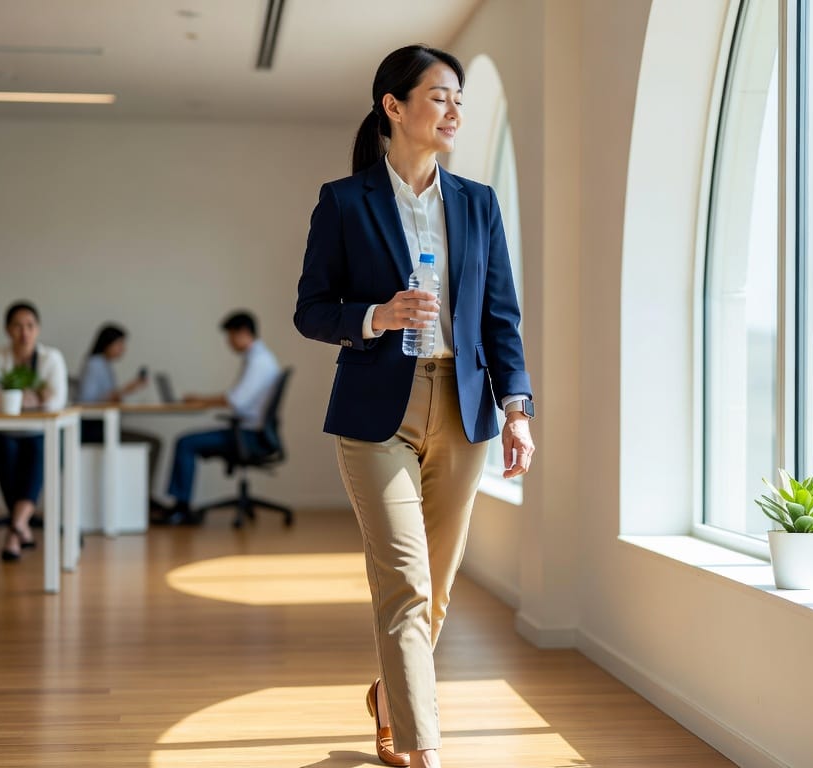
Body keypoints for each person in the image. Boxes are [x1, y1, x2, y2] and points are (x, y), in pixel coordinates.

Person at [293, 45, 536, 768]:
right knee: (404, 580)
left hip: (463, 410)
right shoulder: (344, 201)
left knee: (436, 587)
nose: (455, 110)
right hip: (376, 413)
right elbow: (311, 310)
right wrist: (377, 315)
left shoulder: (478, 204)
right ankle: (424, 746)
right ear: (392, 108)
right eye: (439, 97)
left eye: (460, 98)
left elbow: (501, 318)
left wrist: (517, 409)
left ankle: (388, 697)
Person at [0, 300, 69, 561]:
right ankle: (21, 526)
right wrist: (1, 400)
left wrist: (12, 398)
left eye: (30, 326)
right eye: (18, 326)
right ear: (7, 330)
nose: (24, 332)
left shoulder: (50, 359)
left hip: (39, 434)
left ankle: (14, 530)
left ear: (38, 329)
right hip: (2, 435)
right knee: (6, 449)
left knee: (37, 449)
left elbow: (57, 400)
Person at [161, 311, 282, 525]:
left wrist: (200, 399)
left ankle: (181, 510)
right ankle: (180, 506)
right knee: (187, 441)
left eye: (230, 336)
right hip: (250, 431)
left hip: (249, 435)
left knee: (185, 443)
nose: (228, 342)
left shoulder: (259, 361)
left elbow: (235, 401)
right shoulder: (256, 358)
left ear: (243, 333)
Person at [77, 323, 164, 499]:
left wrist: (125, 392)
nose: (123, 349)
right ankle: (143, 497)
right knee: (153, 443)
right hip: (95, 431)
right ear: (106, 344)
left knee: (154, 442)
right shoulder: (94, 364)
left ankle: (142, 495)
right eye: (119, 344)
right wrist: (124, 391)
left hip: (106, 427)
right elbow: (86, 402)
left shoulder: (105, 365)